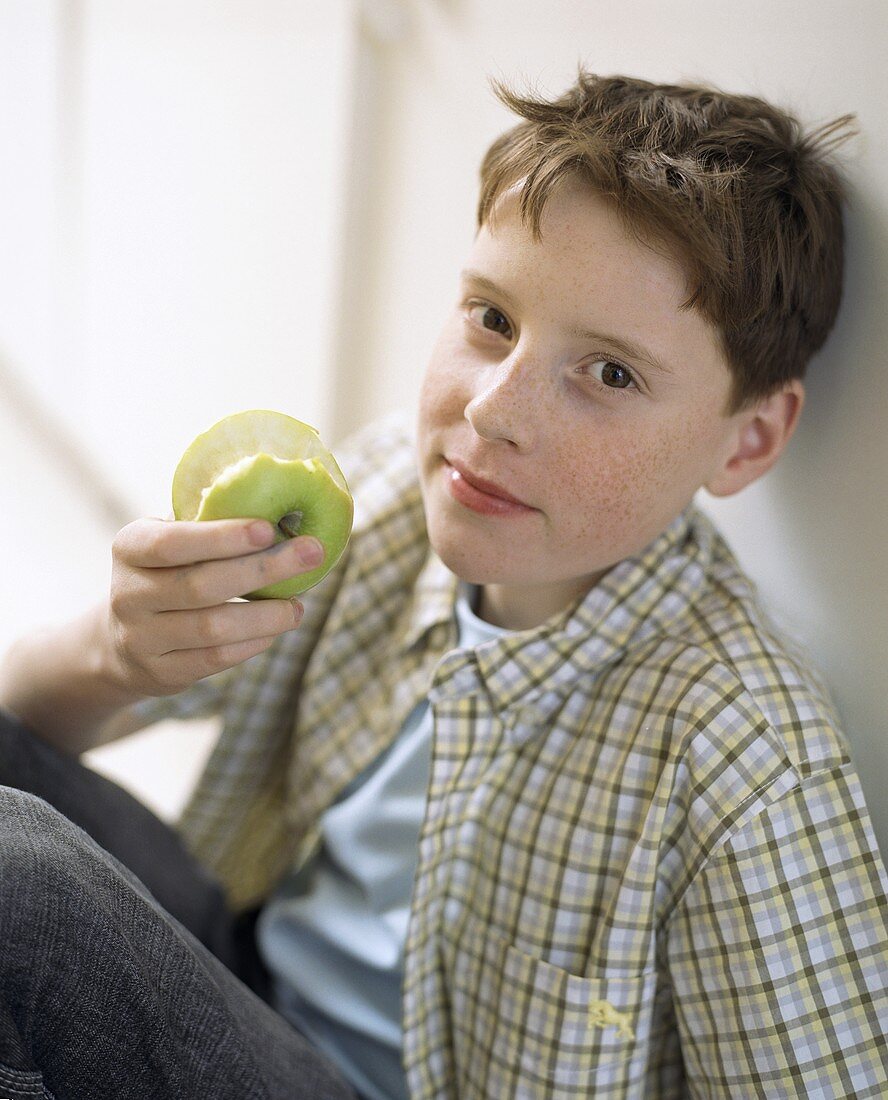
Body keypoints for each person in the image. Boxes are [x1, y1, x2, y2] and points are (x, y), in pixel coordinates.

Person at [1, 70, 886, 1100]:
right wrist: (115, 651)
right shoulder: (383, 495)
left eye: (609, 374)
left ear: (751, 437)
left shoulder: (747, 760)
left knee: (21, 876)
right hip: (246, 979)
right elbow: (30, 714)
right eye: (493, 318)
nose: (495, 411)